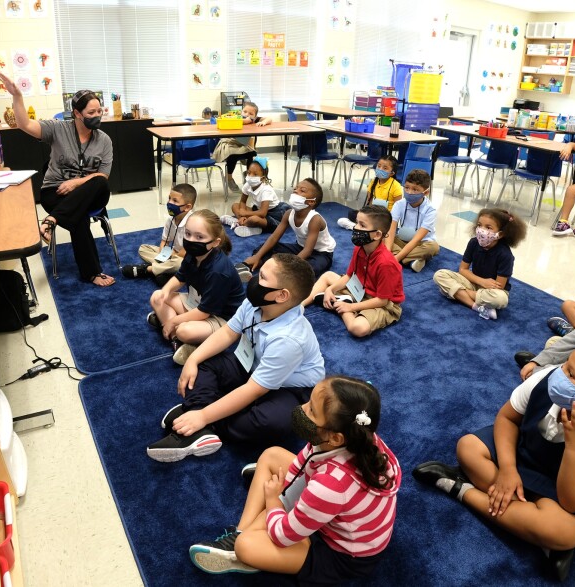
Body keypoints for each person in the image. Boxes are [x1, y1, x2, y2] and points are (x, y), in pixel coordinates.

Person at [413, 345, 575, 581]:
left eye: (571, 374)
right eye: (566, 364)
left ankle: (461, 489)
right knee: (468, 447)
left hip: (564, 494)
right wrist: (508, 470)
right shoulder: (545, 379)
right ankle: (530, 526)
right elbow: (507, 418)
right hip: (525, 454)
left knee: (564, 532)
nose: (559, 373)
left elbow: (574, 503)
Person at [187, 376, 401, 584]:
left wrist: (273, 502)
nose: (302, 408)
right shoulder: (354, 436)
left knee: (246, 546)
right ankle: (240, 531)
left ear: (336, 437)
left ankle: (240, 546)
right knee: (271, 455)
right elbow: (308, 455)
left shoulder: (331, 486)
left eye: (311, 411)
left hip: (341, 555)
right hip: (332, 500)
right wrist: (284, 491)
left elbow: (283, 535)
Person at [147, 253, 324, 462]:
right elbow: (228, 332)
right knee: (203, 362)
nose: (254, 278)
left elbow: (254, 389)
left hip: (290, 388)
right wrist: (193, 360)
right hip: (252, 365)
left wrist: (203, 416)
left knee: (272, 422)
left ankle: (203, 417)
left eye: (263, 277)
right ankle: (201, 417)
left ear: (282, 296)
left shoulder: (289, 339)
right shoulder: (255, 302)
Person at [0, 72, 115, 286]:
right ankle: (92, 273)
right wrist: (17, 97)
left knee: (100, 182)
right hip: (55, 191)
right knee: (78, 218)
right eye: (92, 112)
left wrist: (77, 182)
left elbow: (103, 175)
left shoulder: (104, 140)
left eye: (100, 110)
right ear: (77, 114)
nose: (97, 115)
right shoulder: (58, 129)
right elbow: (24, 124)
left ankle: (50, 221)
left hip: (89, 192)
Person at [146, 210, 245, 365]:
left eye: (200, 237)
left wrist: (173, 321)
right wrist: (165, 291)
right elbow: (180, 277)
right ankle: (177, 339)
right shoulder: (192, 254)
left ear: (216, 242)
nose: (191, 240)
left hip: (222, 318)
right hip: (198, 303)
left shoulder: (218, 271)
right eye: (188, 234)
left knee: (184, 331)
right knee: (157, 297)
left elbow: (205, 313)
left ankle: (176, 330)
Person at [303, 205, 404, 338]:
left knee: (357, 328)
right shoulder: (360, 248)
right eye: (357, 223)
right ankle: (301, 305)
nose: (356, 228)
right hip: (360, 288)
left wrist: (349, 308)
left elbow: (382, 301)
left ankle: (342, 305)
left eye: (362, 225)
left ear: (377, 234)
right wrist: (330, 290)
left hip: (381, 302)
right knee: (328, 276)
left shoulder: (386, 263)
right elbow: (350, 275)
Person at [433, 208, 526, 320]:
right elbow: (463, 270)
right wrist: (482, 281)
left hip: (491, 291)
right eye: (479, 225)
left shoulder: (505, 255)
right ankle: (476, 307)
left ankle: (456, 293)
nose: (481, 230)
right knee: (439, 275)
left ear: (500, 234)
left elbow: (499, 287)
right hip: (472, 283)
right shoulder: (473, 243)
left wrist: (460, 289)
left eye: (488, 227)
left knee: (501, 299)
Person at [243, 178, 335, 278]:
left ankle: (280, 269)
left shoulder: (315, 219)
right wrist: (257, 256)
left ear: (311, 202)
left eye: (302, 190)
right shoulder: (288, 214)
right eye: (295, 188)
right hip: (300, 247)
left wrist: (288, 267)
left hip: (321, 253)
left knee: (308, 269)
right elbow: (274, 237)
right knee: (264, 248)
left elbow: (308, 251)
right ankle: (258, 262)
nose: (296, 191)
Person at [123, 183, 197, 285]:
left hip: (188, 257)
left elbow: (185, 252)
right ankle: (163, 270)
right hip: (174, 253)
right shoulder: (170, 220)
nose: (169, 202)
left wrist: (169, 255)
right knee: (143, 248)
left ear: (188, 207)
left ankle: (148, 269)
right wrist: (162, 255)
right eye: (169, 198)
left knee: (179, 263)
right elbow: (164, 241)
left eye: (175, 201)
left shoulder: (193, 223)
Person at [383, 169, 440, 273]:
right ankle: (411, 261)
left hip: (421, 243)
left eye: (415, 190)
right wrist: (387, 252)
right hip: (401, 240)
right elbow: (391, 230)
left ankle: (399, 256)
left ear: (425, 192)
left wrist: (396, 259)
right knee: (380, 236)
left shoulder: (430, 209)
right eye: (407, 188)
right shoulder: (399, 204)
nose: (409, 192)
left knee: (433, 247)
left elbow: (416, 240)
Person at [212, 101, 272, 192]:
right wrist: (244, 121)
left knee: (251, 153)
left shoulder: (254, 119)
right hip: (228, 144)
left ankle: (249, 175)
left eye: (251, 113)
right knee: (233, 155)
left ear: (255, 116)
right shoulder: (236, 117)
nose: (247, 114)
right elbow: (228, 121)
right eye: (245, 111)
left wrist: (263, 122)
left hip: (242, 145)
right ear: (241, 111)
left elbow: (269, 118)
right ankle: (229, 178)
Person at [220, 160, 288, 237]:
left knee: (254, 219)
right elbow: (242, 201)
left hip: (272, 214)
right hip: (257, 210)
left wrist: (245, 213)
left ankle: (241, 224)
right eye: (249, 173)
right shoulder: (247, 185)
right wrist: (242, 214)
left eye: (255, 174)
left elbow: (263, 213)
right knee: (235, 206)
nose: (250, 176)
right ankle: (242, 222)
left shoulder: (266, 190)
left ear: (262, 178)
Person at [337, 155, 403, 230]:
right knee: (352, 214)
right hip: (374, 214)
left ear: (392, 173)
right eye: (379, 166)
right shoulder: (373, 182)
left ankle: (358, 227)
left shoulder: (396, 186)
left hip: (387, 217)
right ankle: (366, 227)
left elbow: (398, 208)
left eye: (385, 168)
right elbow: (370, 203)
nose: (380, 169)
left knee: (378, 223)